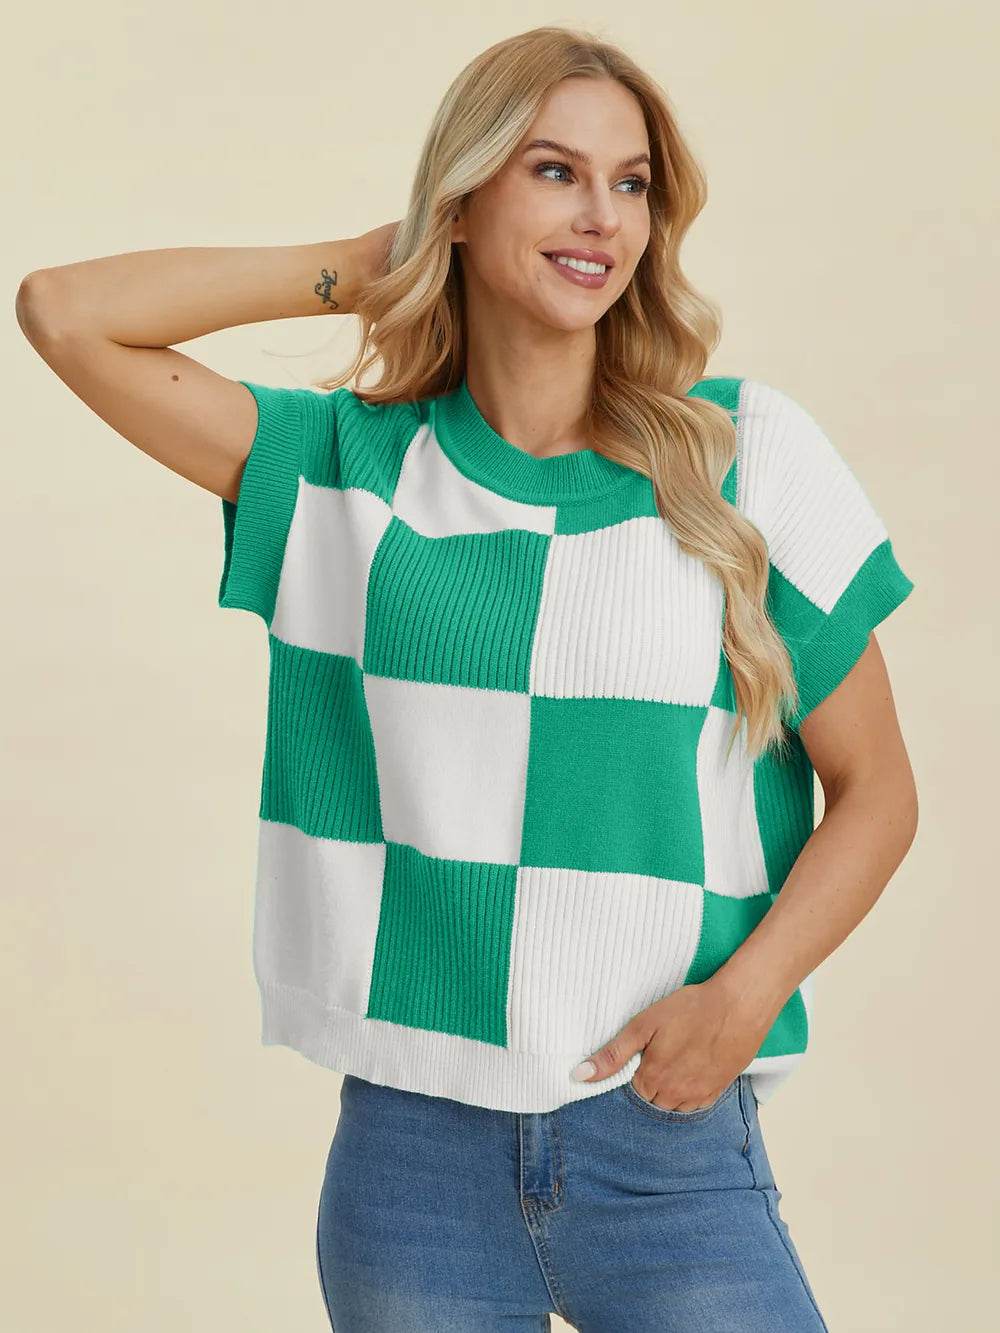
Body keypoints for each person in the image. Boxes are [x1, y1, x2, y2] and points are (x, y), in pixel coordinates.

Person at [16, 23, 918, 1333]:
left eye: (630, 183)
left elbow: (878, 788)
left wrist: (747, 996)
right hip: (413, 1165)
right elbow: (62, 312)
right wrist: (364, 265)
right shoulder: (340, 470)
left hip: (664, 1143)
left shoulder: (747, 456)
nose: (601, 216)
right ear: (464, 194)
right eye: (554, 171)